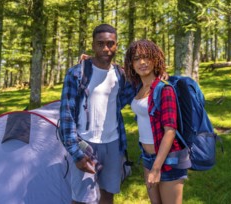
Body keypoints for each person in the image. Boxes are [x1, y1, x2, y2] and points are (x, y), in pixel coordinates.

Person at [59, 24, 135, 204]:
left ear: (116, 45)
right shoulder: (77, 73)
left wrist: (159, 73)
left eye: (110, 44)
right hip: (85, 144)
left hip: (113, 144)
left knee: (108, 196)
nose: (105, 49)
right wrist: (76, 153)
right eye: (100, 44)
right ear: (93, 45)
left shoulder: (120, 75)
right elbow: (66, 116)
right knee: (81, 198)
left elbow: (136, 90)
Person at [124, 39, 188, 204]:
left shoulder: (164, 89)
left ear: (155, 59)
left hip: (168, 159)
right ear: (131, 63)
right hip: (147, 157)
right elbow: (113, 69)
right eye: (137, 58)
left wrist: (156, 168)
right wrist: (90, 59)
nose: (142, 62)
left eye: (147, 57)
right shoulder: (138, 87)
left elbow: (170, 131)